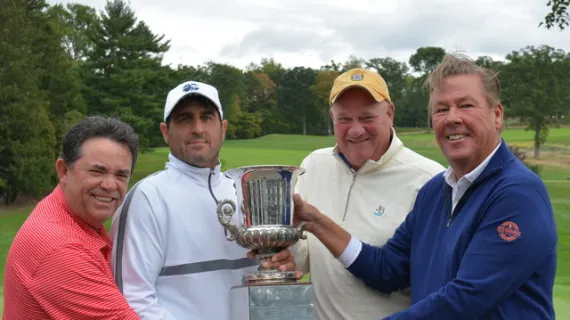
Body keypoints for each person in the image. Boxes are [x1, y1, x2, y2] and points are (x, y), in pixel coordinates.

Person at [291, 53, 558, 319]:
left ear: (497, 115)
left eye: (465, 105)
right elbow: (387, 270)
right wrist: (315, 222)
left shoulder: (517, 193)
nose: (452, 118)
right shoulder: (435, 191)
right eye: (441, 109)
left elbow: (465, 300)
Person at [110, 80, 300, 320]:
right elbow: (131, 299)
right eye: (184, 119)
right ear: (165, 132)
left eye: (207, 117)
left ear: (223, 128)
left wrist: (278, 266)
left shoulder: (244, 192)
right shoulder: (148, 197)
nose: (197, 128)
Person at [290, 67, 446, 319]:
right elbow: (301, 259)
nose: (355, 130)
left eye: (367, 118)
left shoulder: (428, 179)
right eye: (344, 119)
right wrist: (286, 256)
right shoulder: (313, 166)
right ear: (332, 117)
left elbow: (434, 283)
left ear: (390, 114)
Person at [3, 116, 141, 319]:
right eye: (97, 171)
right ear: (63, 171)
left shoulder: (66, 216)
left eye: (121, 175)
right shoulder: (62, 250)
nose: (110, 185)